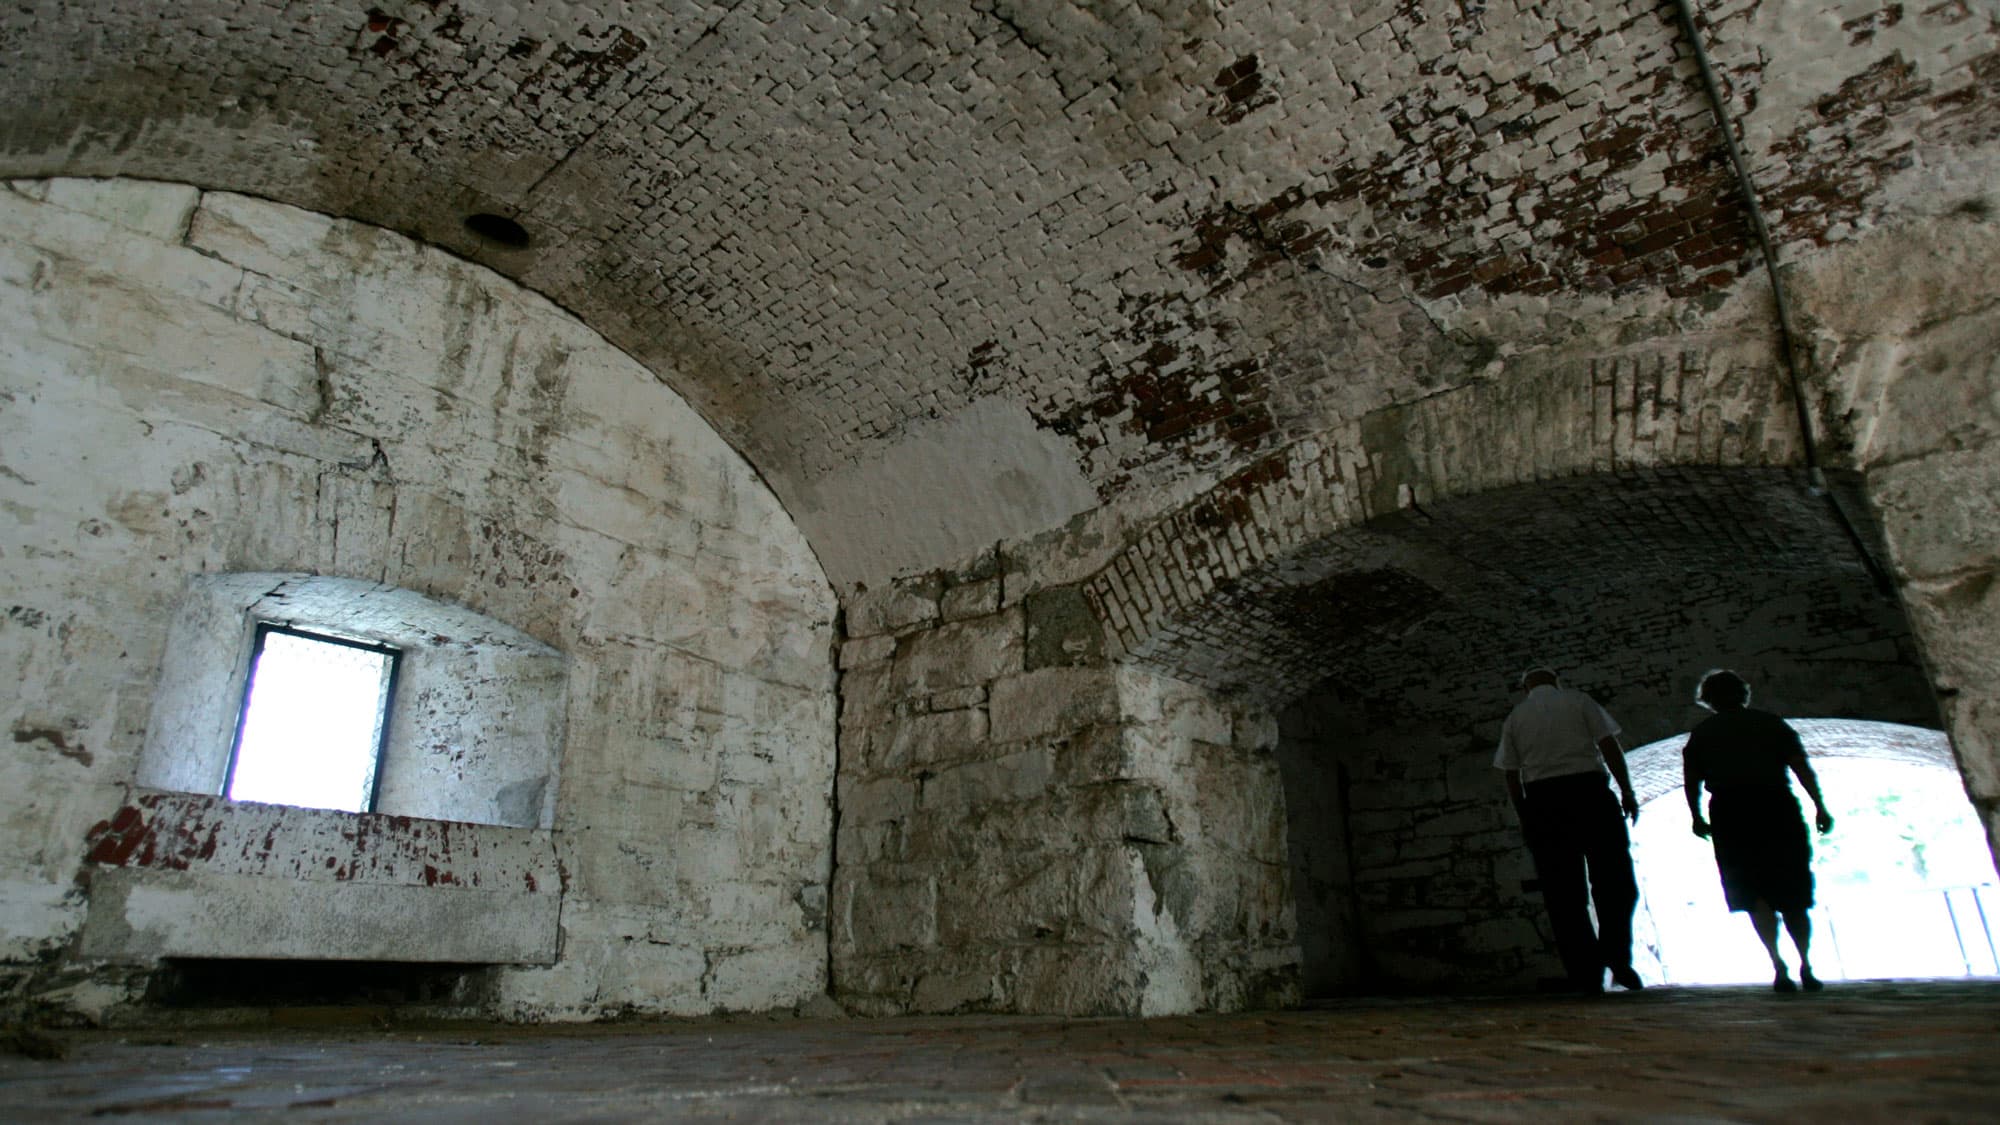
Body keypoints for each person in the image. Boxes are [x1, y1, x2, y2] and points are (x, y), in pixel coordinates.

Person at [1682, 669, 1834, 993]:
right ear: (1744, 693)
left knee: (1754, 893)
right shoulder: (1770, 724)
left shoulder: (1702, 734)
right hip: (1776, 806)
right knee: (1792, 891)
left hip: (1731, 812)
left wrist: (1696, 816)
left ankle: (1778, 964)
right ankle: (1806, 964)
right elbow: (1800, 766)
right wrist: (1819, 805)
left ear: (1708, 700)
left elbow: (1692, 781)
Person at [1495, 667, 1645, 993]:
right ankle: (1617, 958)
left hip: (1544, 802)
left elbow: (1510, 773)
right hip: (1589, 794)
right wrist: (1627, 791)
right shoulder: (1578, 701)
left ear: (1525, 689)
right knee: (1615, 880)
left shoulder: (1515, 718)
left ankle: (1585, 973)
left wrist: (1525, 816)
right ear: (1556, 682)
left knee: (1563, 894)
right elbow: (1608, 746)